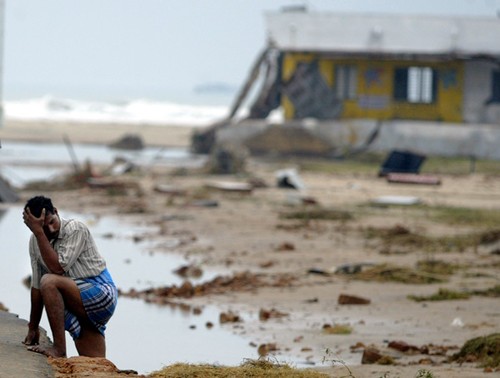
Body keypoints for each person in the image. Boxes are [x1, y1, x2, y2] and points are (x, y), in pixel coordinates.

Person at [22, 195, 117, 358]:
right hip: (76, 299)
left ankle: (59, 350)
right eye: (43, 228)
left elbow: (57, 268)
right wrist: (33, 327)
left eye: (52, 222)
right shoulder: (34, 242)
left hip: (100, 292)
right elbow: (36, 288)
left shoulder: (75, 229)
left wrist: (39, 233)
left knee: (49, 281)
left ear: (57, 212)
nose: (50, 230)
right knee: (94, 364)